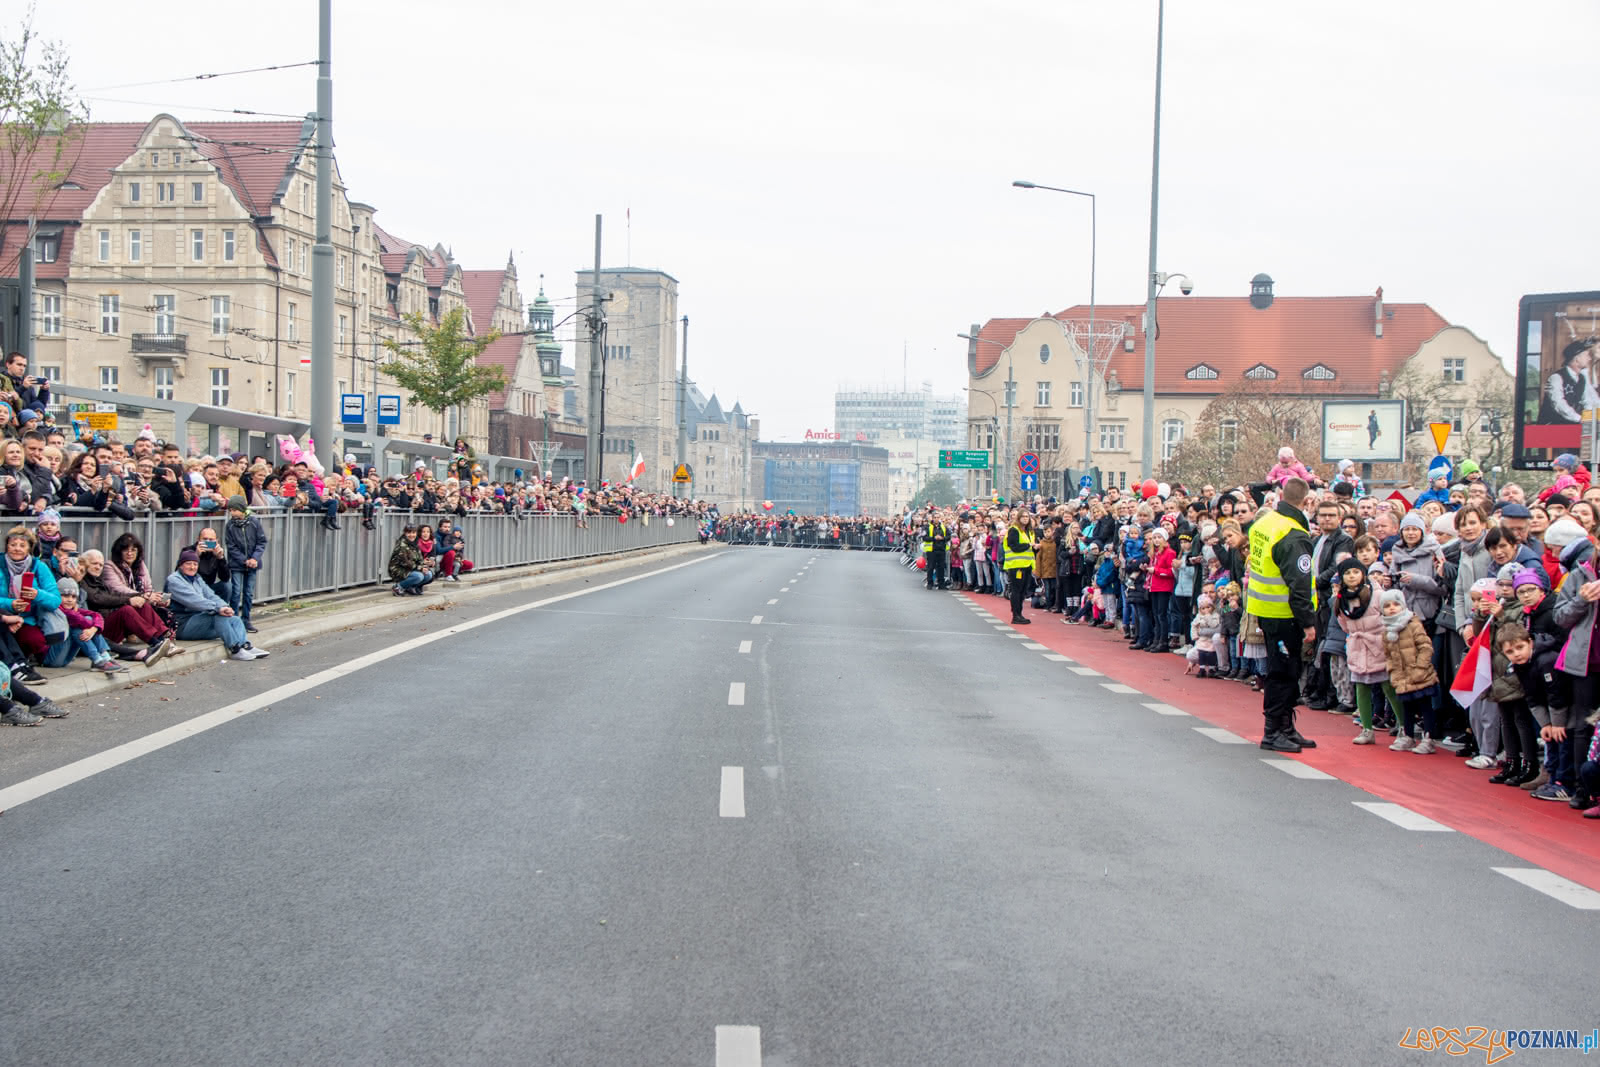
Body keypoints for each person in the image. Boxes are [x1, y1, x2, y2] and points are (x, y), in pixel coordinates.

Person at [1246, 476, 1318, 752]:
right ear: (1306, 500)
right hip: (1284, 613)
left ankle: (1286, 726)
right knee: (1283, 673)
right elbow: (1298, 584)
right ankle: (1273, 730)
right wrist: (1307, 621)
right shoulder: (1293, 534)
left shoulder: (1263, 522)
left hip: (1264, 608)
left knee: (1285, 670)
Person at [164, 548, 268, 661]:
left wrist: (225, 607)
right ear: (180, 565)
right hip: (182, 625)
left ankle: (245, 646)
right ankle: (235, 650)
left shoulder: (197, 578)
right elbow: (194, 601)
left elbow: (210, 595)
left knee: (234, 618)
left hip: (198, 620)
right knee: (219, 616)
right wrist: (218, 608)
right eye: (188, 564)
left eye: (195, 564)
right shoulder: (174, 580)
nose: (192, 567)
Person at [1378, 588, 1441, 752]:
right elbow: (1388, 655)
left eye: (1395, 604)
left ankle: (1429, 738)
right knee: (1407, 707)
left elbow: (1426, 647)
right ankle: (1408, 735)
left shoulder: (1413, 624)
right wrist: (1393, 673)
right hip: (1402, 677)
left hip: (1420, 674)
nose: (1391, 608)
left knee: (1425, 706)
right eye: (1387, 605)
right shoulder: (1387, 631)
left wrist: (1420, 668)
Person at [50, 577, 127, 673]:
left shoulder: (73, 611)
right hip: (52, 659)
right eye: (65, 596)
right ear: (57, 595)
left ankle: (105, 658)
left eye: (73, 597)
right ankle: (97, 659)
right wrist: (92, 627)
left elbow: (97, 615)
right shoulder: (57, 609)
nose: (70, 600)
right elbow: (82, 621)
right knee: (78, 627)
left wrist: (93, 629)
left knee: (89, 619)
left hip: (65, 658)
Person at [223, 495, 267, 633]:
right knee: (236, 592)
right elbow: (231, 546)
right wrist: (244, 560)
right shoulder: (230, 525)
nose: (233, 513)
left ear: (242, 509)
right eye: (231, 510)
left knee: (248, 592)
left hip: (253, 563)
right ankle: (234, 619)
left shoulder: (254, 522)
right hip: (237, 564)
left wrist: (254, 558)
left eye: (235, 510)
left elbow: (261, 541)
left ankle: (246, 619)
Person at [1537, 336, 1600, 424]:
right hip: (1550, 427)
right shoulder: (1556, 378)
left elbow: (1587, 401)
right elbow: (1559, 405)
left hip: (1569, 425)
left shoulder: (1581, 378)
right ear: (1577, 359)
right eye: (1586, 355)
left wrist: (1593, 418)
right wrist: (1580, 419)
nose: (1589, 358)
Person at [1003, 510, 1036, 624]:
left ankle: (1019, 613)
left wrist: (1034, 547)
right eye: (1023, 516)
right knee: (1016, 590)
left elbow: (1029, 548)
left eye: (1027, 516)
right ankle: (1016, 615)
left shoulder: (1029, 531)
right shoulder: (1014, 530)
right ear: (1019, 518)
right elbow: (1014, 547)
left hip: (1026, 565)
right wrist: (1028, 545)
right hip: (1016, 565)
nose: (1026, 518)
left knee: (1022, 591)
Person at [388, 524, 433, 596]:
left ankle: (411, 587)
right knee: (418, 576)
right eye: (409, 533)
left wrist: (425, 566)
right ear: (405, 533)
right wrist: (420, 568)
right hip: (398, 569)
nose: (411, 535)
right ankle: (398, 587)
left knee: (429, 574)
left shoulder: (415, 543)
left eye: (413, 533)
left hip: (410, 568)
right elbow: (406, 563)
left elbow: (419, 559)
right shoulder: (402, 545)